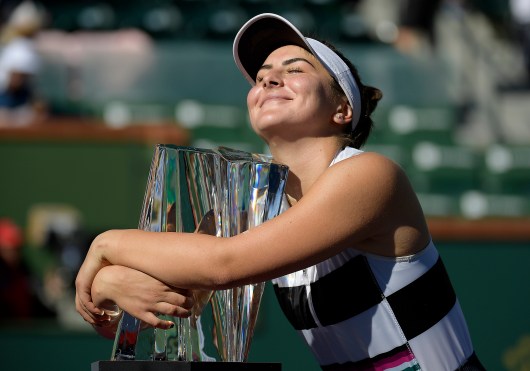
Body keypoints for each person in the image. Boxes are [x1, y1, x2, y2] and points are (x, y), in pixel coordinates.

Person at [76, 13, 485, 370]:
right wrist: (110, 283)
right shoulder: (252, 201)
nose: (269, 77)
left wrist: (104, 244)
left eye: (295, 69)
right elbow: (174, 301)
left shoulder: (370, 174)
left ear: (342, 109)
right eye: (260, 76)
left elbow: (223, 265)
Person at [0, 0, 47, 126]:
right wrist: (35, 102)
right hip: (9, 101)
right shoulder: (24, 48)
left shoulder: (14, 44)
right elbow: (15, 81)